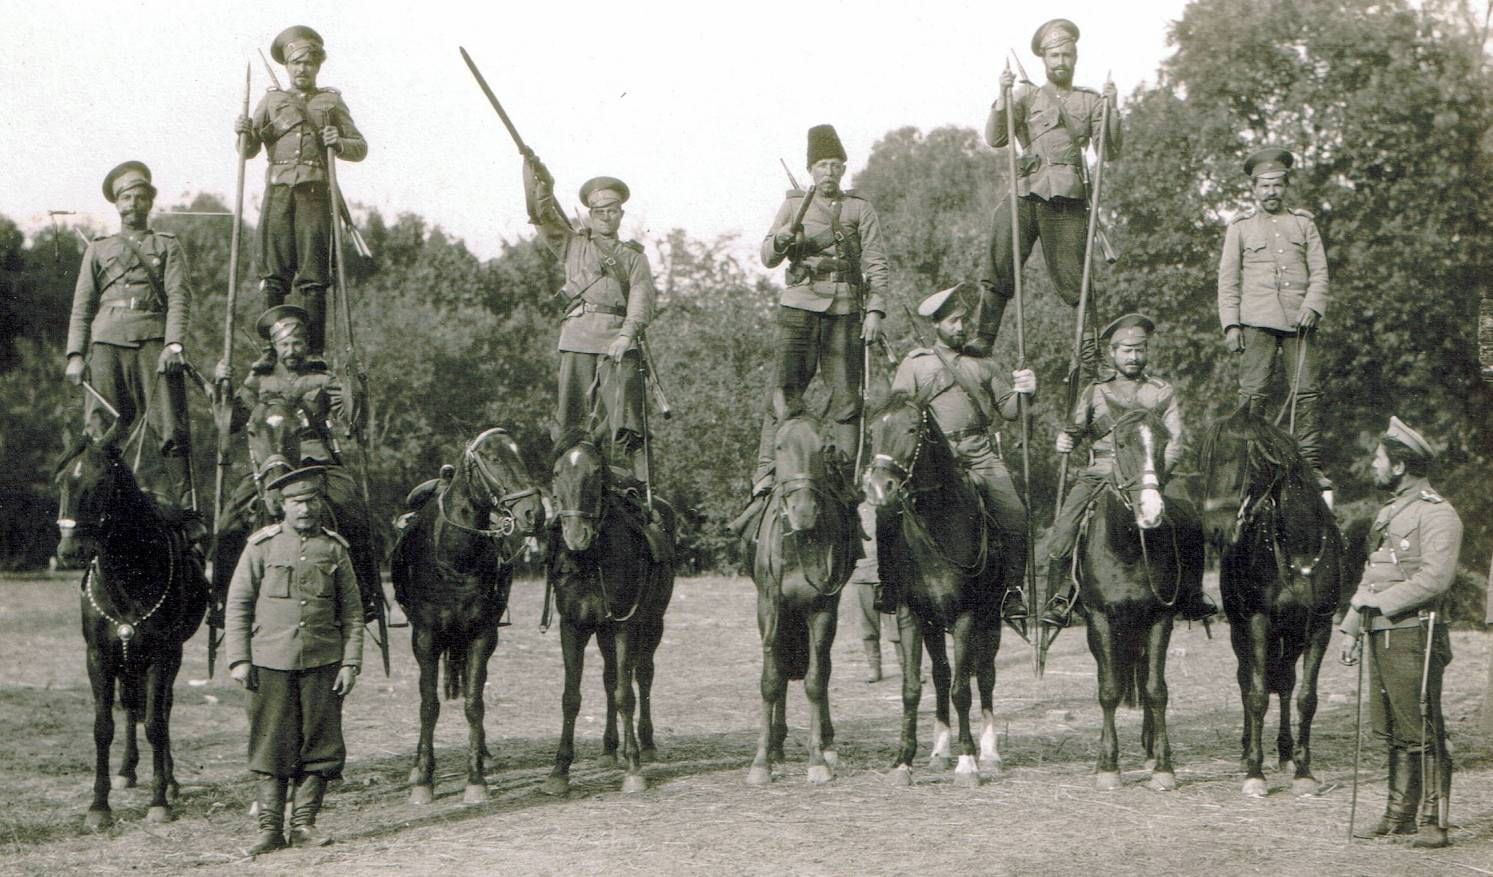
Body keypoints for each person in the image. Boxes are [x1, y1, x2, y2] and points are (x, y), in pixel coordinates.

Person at [869, 285, 1035, 621]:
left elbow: (1012, 410)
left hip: (979, 453)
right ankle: (889, 585)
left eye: (964, 320)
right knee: (889, 513)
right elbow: (899, 413)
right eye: (953, 321)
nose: (960, 327)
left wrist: (1027, 390)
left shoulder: (983, 364)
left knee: (1015, 512)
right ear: (937, 324)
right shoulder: (915, 364)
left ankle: (1012, 591)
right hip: (932, 460)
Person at [1040, 313, 1215, 628]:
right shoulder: (1095, 391)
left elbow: (1175, 442)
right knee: (1065, 526)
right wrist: (1064, 439)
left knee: (1189, 520)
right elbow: (1075, 429)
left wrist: (1152, 478)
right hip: (1102, 471)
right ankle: (1062, 596)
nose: (1134, 357)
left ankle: (1192, 594)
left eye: (1140, 350)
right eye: (1126, 350)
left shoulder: (1161, 391)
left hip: (1151, 472)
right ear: (1112, 352)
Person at [225, 465, 364, 855]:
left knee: (320, 746)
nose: (304, 509)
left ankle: (304, 825)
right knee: (271, 745)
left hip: (323, 662)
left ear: (320, 503)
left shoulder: (335, 549)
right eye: (296, 502)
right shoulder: (261, 547)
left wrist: (350, 663)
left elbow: (353, 613)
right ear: (281, 506)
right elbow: (238, 604)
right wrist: (239, 658)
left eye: (311, 500)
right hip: (270, 661)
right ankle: (269, 829)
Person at [1339, 417, 1462, 849]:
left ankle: (1433, 820)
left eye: (1379, 459)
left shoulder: (1437, 513)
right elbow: (1373, 575)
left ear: (1399, 466)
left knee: (1422, 726)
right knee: (1393, 730)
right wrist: (1352, 627)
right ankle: (1398, 816)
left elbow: (1436, 579)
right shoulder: (1391, 511)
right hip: (1382, 634)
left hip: (1416, 636)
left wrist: (1379, 606)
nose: (1373, 465)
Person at [750, 123, 889, 497]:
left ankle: (845, 480)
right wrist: (780, 240)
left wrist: (875, 310)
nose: (829, 172)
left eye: (835, 165)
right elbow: (767, 256)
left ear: (844, 170)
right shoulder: (794, 205)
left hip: (845, 309)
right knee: (782, 390)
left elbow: (876, 262)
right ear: (811, 169)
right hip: (799, 307)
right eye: (822, 165)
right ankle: (765, 473)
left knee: (848, 398)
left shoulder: (860, 208)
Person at [213, 306, 376, 620]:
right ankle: (222, 598)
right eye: (284, 344)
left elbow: (351, 418)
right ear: (274, 345)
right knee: (228, 523)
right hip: (269, 463)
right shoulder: (257, 382)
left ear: (306, 345)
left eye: (297, 343)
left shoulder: (322, 378)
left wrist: (355, 385)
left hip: (316, 459)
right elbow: (231, 423)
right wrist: (221, 386)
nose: (291, 350)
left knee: (353, 512)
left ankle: (365, 592)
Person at [974, 18, 1121, 355]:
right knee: (1001, 252)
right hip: (1026, 190)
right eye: (1053, 56)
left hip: (1066, 197)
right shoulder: (1025, 96)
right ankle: (983, 336)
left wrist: (1113, 109)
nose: (1060, 62)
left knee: (1074, 276)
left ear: (1075, 57)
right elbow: (995, 138)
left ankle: (1089, 350)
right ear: (1044, 59)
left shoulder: (1090, 102)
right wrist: (1002, 95)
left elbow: (1109, 151)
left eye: (1066, 55)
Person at [65, 160, 197, 527]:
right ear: (117, 204)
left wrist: (174, 345)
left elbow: (179, 298)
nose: (134, 204)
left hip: (154, 344)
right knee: (99, 432)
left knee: (169, 429)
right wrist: (75, 354)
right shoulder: (97, 249)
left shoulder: (166, 246)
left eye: (141, 197)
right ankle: (99, 516)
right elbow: (82, 306)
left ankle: (187, 516)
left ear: (149, 203)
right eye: (127, 197)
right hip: (106, 343)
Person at [235, 24, 367, 370]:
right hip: (278, 192)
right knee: (274, 273)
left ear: (317, 66)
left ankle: (314, 353)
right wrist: (243, 132)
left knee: (313, 276)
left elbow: (360, 147)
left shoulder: (331, 102)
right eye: (295, 63)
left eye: (308, 63)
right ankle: (269, 350)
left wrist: (337, 142)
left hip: (315, 193)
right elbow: (247, 151)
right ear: (287, 67)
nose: (302, 69)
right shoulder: (271, 101)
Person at [521, 157, 657, 484]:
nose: (606, 217)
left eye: (613, 210)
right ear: (589, 215)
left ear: (621, 214)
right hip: (578, 340)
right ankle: (566, 494)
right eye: (599, 211)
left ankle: (642, 495)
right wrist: (540, 182)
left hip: (618, 344)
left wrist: (626, 336)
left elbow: (641, 301)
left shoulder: (634, 257)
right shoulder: (572, 244)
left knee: (631, 426)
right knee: (571, 426)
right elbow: (541, 214)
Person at [1217, 146, 1332, 503]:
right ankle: (1249, 464)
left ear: (1286, 186)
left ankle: (1308, 463)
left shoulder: (1304, 224)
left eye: (1277, 185)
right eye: (1264, 186)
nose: (1271, 192)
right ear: (1253, 189)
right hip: (1256, 321)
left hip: (1301, 322)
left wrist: (1313, 306)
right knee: (1252, 396)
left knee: (1307, 394)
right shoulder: (1240, 228)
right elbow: (1228, 280)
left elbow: (1321, 273)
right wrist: (1231, 325)